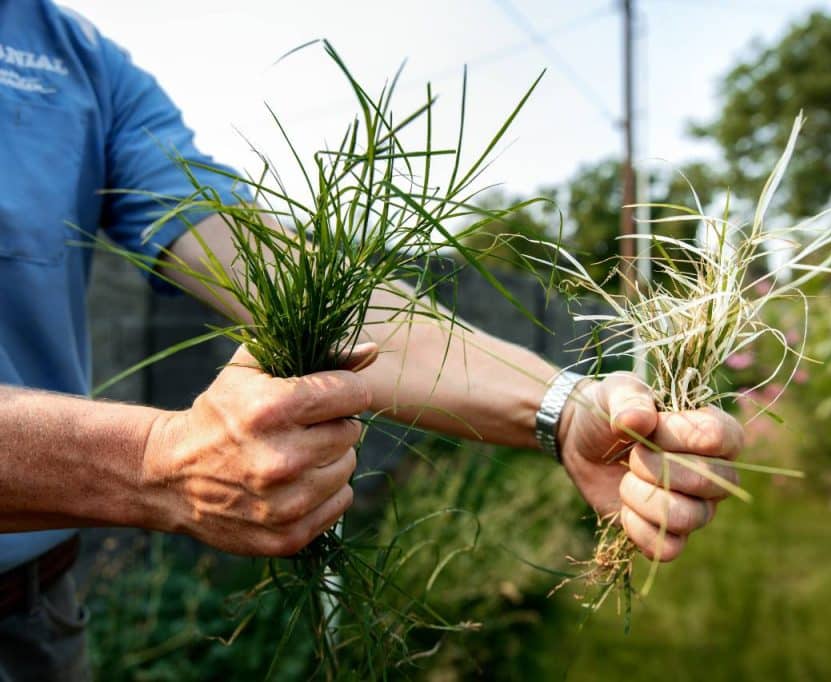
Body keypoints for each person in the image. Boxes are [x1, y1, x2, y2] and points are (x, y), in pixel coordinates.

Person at [0, 1, 744, 680]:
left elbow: (296, 281)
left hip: (41, 613)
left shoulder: (75, 58)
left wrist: (566, 406)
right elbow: (158, 461)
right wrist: (150, 465)